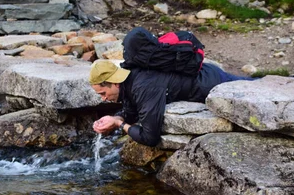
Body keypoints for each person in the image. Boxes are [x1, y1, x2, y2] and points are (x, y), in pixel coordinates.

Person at [89, 59, 253, 147]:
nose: (103, 99)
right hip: (205, 73)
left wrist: (119, 124)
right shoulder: (129, 81)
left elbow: (150, 138)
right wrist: (114, 118)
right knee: (254, 82)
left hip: (211, 83)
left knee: (256, 87)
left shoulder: (143, 88)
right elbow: (131, 112)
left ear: (115, 83)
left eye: (103, 93)